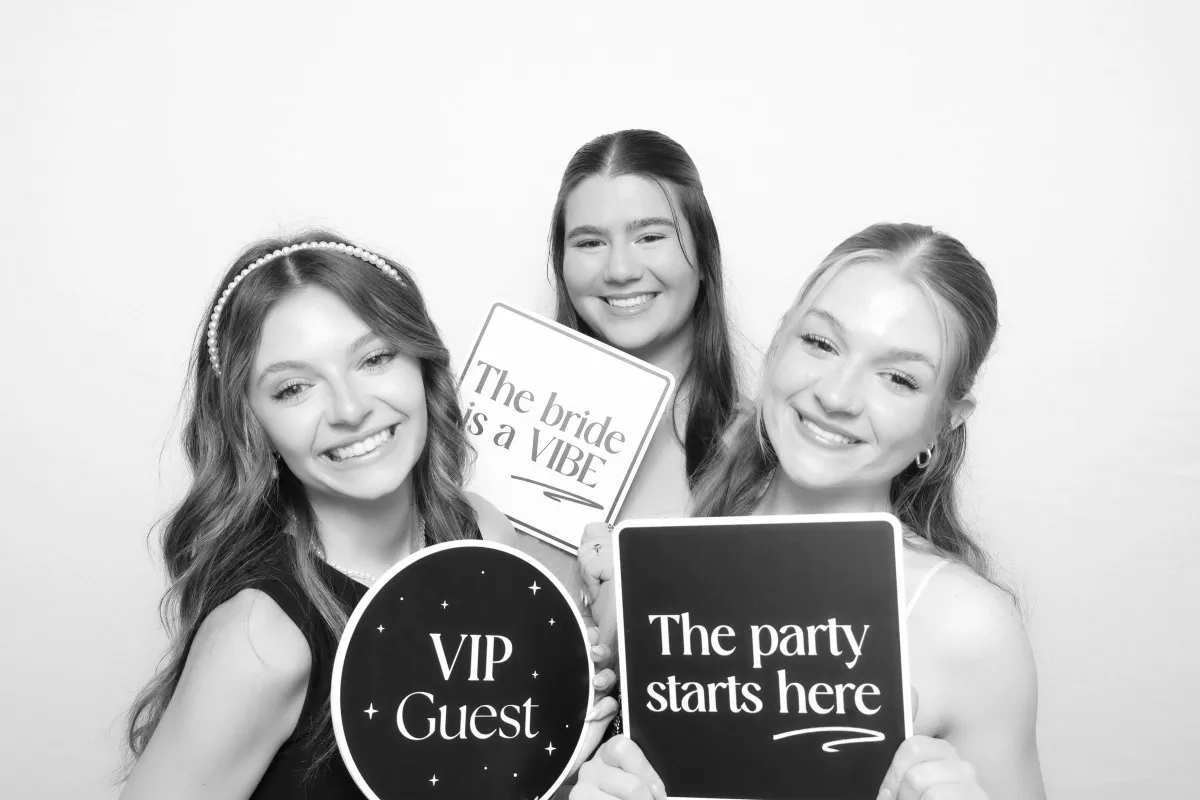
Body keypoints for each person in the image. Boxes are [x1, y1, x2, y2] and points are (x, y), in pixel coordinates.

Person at [121, 233, 615, 799]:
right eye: (293, 388)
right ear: (250, 424)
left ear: (422, 364)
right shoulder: (261, 640)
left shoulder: (480, 532)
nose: (351, 409)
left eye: (375, 358)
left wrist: (551, 767)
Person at [571, 223, 1046, 800]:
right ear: (778, 341)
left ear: (945, 421)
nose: (838, 396)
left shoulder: (969, 628)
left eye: (899, 378)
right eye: (820, 343)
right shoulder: (656, 566)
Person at [538, 129, 740, 625]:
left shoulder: (763, 449)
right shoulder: (507, 438)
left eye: (650, 237)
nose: (621, 269)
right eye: (589, 242)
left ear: (703, 255)